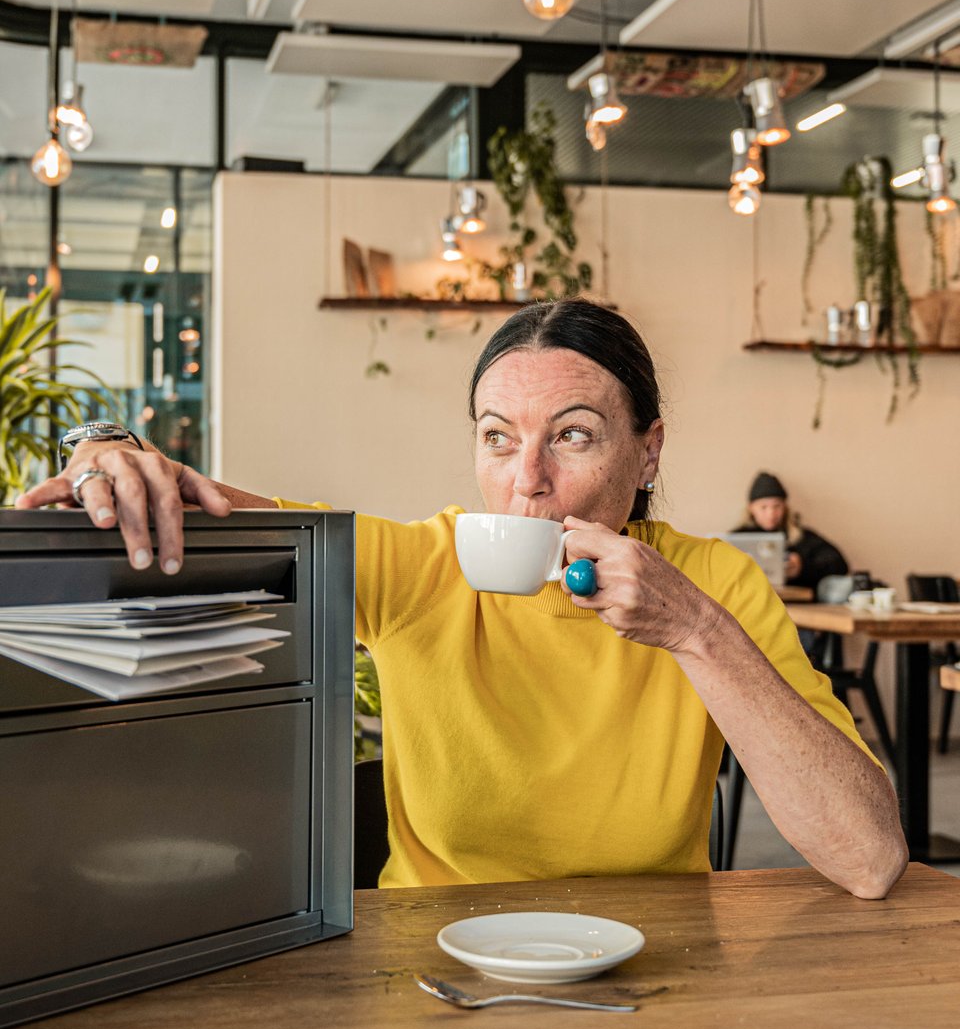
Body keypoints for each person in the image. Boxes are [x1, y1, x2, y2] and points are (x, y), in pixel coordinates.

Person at [15, 300, 907, 899]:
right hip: (436, 968)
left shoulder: (713, 585)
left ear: (648, 452)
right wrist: (110, 452)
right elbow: (198, 504)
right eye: (497, 438)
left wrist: (696, 633)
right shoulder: (423, 569)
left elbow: (868, 859)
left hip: (653, 964)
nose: (528, 480)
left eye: (574, 436)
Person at [736, 471, 848, 593]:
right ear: (751, 508)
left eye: (776, 506)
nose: (771, 513)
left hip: (799, 603)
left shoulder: (802, 537)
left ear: (785, 507)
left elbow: (839, 564)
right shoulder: (737, 539)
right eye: (764, 507)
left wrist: (803, 568)